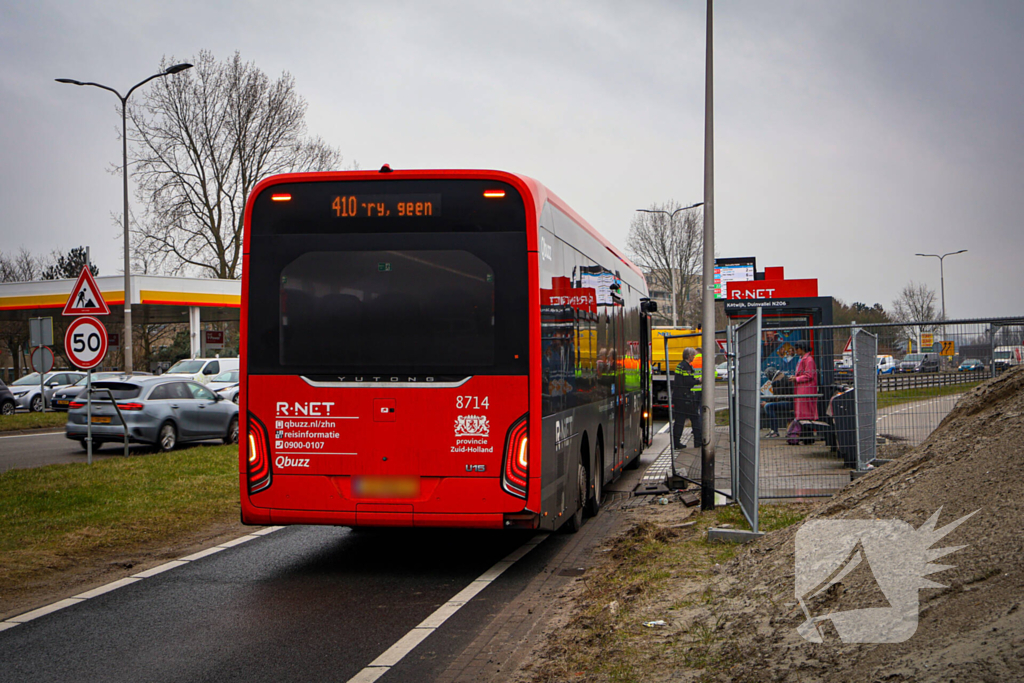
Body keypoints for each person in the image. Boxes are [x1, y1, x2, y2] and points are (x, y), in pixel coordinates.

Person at [671, 347, 702, 449]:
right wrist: (698, 381)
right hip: (685, 398)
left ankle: (676, 442)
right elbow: (688, 382)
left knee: (679, 420)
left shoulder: (680, 365)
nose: (694, 357)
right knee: (695, 417)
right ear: (689, 356)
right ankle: (698, 441)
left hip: (679, 397)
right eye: (693, 355)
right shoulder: (686, 367)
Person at [791, 340, 819, 434]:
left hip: (806, 390)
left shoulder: (808, 360)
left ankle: (808, 437)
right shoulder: (803, 359)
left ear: (802, 349)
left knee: (805, 413)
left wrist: (797, 379)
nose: (796, 351)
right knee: (803, 413)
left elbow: (809, 375)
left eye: (797, 349)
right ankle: (805, 436)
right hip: (803, 389)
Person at [762, 369, 794, 437]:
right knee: (769, 405)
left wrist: (767, 403)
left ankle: (774, 431)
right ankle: (773, 430)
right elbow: (777, 397)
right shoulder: (782, 380)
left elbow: (777, 397)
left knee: (768, 406)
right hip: (788, 402)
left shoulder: (780, 381)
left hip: (790, 403)